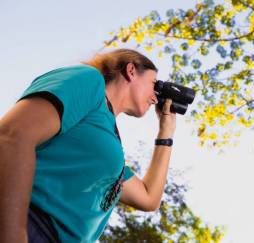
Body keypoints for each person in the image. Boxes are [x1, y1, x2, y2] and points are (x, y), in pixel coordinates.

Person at [0, 49, 177, 242]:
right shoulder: (90, 80)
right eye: (154, 85)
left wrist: (166, 132)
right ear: (131, 70)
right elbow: (14, 135)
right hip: (30, 224)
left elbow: (149, 198)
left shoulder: (109, 142)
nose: (155, 98)